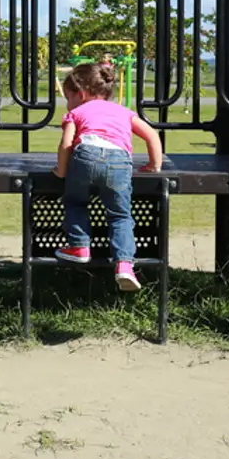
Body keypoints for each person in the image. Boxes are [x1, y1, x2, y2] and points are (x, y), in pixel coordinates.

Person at [51, 61, 163, 291]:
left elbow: (66, 144)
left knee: (75, 202)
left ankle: (79, 247)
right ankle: (124, 265)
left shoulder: (76, 112)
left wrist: (61, 171)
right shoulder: (123, 111)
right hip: (120, 162)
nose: (67, 103)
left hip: (86, 156)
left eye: (68, 97)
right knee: (120, 216)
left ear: (80, 94)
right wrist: (154, 165)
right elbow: (152, 135)